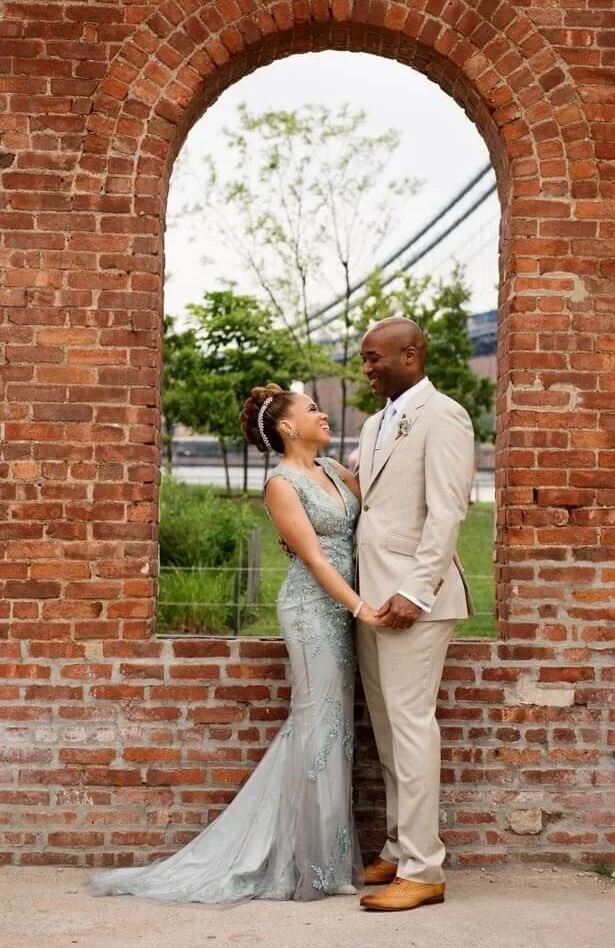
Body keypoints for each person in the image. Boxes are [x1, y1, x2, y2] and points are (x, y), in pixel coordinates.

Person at [89, 382, 380, 906]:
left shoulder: (336, 471)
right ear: (288, 427)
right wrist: (362, 607)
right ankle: (305, 864)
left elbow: (373, 519)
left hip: (344, 609)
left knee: (335, 728)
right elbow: (313, 559)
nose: (324, 415)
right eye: (313, 409)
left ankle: (327, 859)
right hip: (313, 611)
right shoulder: (281, 484)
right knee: (319, 724)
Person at [354, 317, 475, 912]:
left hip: (413, 602)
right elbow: (370, 502)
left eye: (375, 358)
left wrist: (417, 590)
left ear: (412, 353)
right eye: (364, 358)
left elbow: (447, 512)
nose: (367, 368)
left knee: (411, 727)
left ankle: (426, 870)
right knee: (387, 731)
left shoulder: (444, 415)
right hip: (369, 599)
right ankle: (399, 847)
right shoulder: (376, 422)